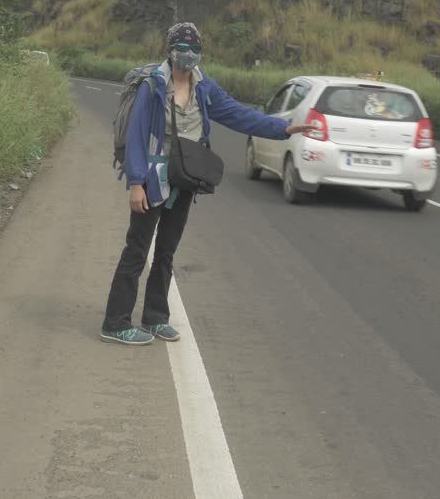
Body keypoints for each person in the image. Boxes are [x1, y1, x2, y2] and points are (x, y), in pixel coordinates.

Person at [100, 22, 318, 345]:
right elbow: (136, 135)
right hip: (152, 178)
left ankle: (156, 317)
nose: (188, 55)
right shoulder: (153, 85)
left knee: (166, 251)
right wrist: (135, 183)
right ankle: (116, 322)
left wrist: (281, 129)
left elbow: (239, 115)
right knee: (137, 249)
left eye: (194, 49)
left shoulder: (205, 88)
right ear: (170, 50)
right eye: (182, 48)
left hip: (185, 177)